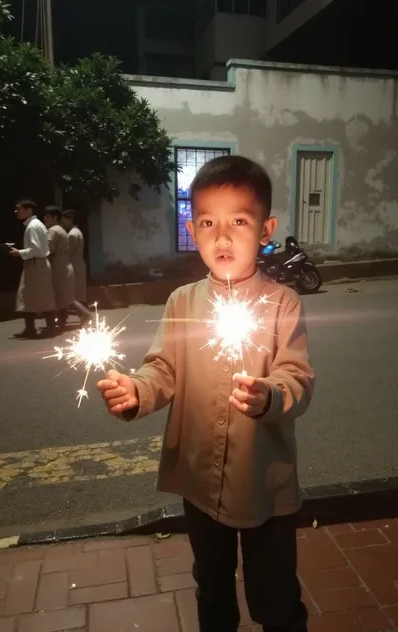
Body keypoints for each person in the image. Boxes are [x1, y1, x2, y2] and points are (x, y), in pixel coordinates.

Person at [97, 156, 314, 632]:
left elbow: (296, 377)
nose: (222, 237)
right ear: (193, 231)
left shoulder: (283, 303)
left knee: (275, 595)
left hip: (263, 482)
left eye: (239, 221)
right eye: (209, 223)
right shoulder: (183, 302)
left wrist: (270, 395)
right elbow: (163, 368)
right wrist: (137, 390)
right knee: (211, 586)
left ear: (266, 230)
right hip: (199, 480)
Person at [10, 200, 56, 338]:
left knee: (41, 297)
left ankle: (49, 328)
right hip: (37, 264)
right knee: (29, 297)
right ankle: (31, 328)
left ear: (29, 210)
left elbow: (35, 249)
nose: (16, 212)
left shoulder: (33, 226)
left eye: (19, 209)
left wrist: (19, 252)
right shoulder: (35, 225)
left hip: (36, 264)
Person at [44, 206, 75, 329]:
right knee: (64, 297)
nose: (45, 219)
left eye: (47, 216)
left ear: (55, 217)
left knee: (58, 296)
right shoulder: (61, 230)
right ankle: (62, 321)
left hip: (58, 267)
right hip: (65, 265)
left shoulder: (53, 231)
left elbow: (48, 249)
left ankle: (57, 323)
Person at [61, 210, 89, 307]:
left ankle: (83, 313)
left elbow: (68, 253)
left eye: (64, 219)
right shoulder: (78, 232)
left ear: (71, 220)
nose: (62, 222)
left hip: (74, 266)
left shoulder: (72, 234)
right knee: (79, 294)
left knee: (74, 295)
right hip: (79, 265)